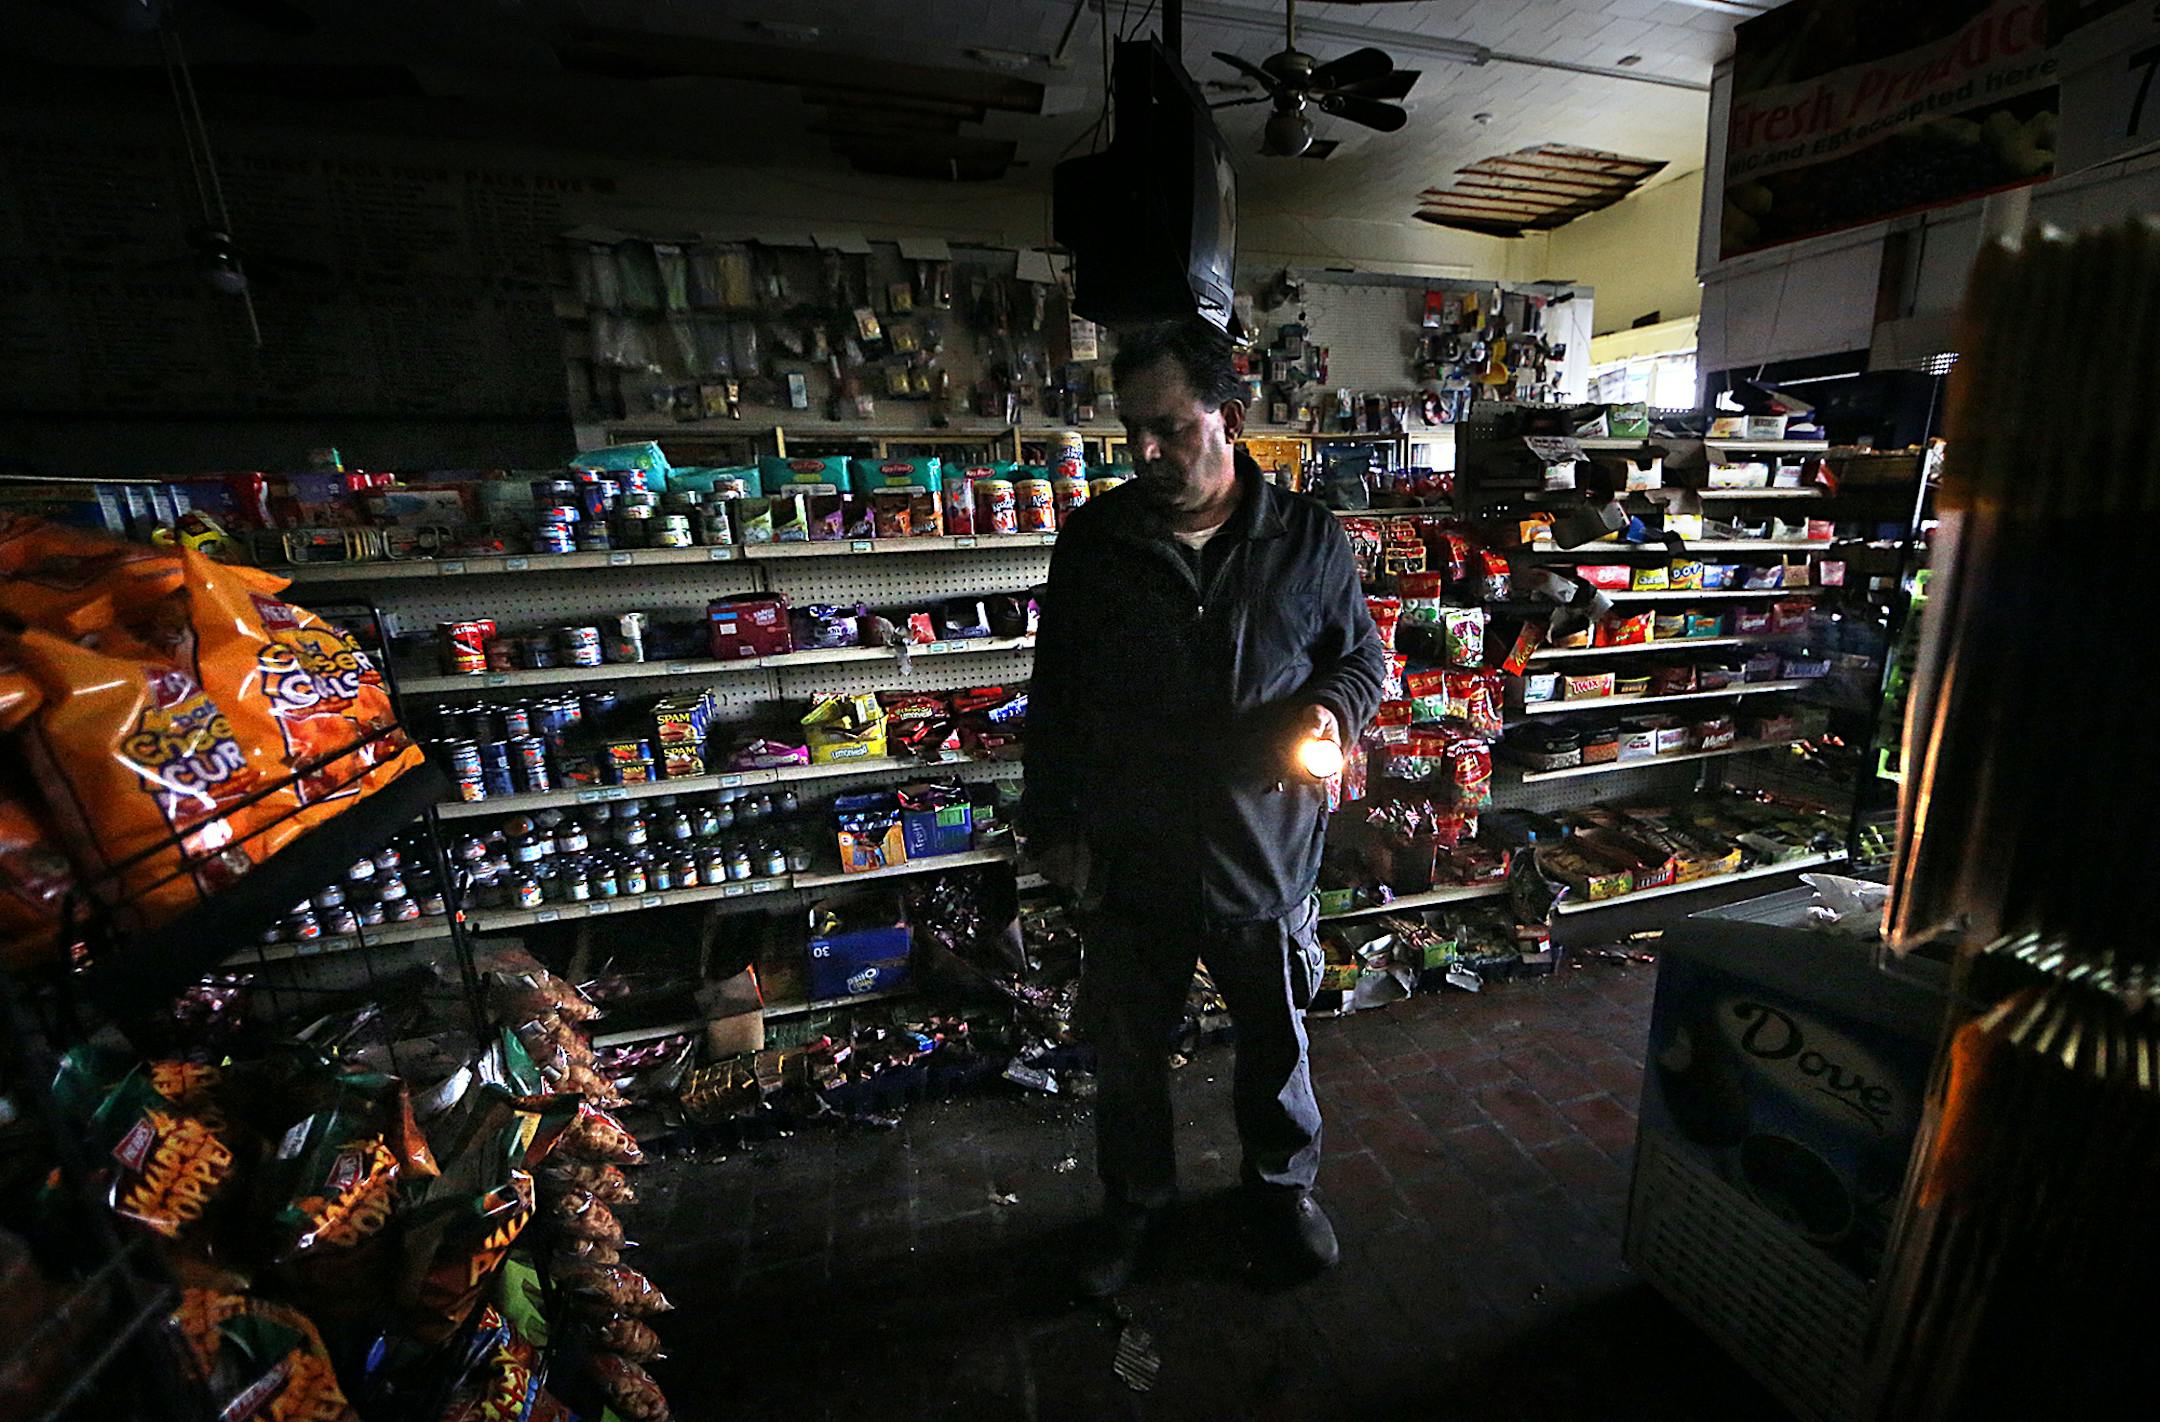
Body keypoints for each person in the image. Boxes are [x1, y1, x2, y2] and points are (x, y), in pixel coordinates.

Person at [1021, 321, 1386, 1296]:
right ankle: (1135, 1205)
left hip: (1262, 849)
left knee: (1274, 1043)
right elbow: (1055, 691)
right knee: (1131, 1056)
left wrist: (1328, 710)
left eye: (1169, 429)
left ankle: (1281, 1188)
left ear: (1229, 419)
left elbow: (1362, 659)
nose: (1145, 453)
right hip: (1133, 852)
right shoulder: (1096, 541)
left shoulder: (1305, 536)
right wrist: (1050, 825)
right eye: (1131, 431)